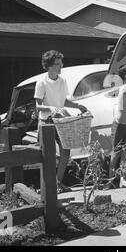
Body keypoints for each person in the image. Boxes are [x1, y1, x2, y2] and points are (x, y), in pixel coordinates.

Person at [34, 50, 88, 193]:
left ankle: (57, 183)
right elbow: (38, 107)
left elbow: (64, 101)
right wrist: (51, 108)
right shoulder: (41, 82)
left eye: (60, 63)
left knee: (66, 151)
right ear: (49, 66)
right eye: (57, 64)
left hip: (60, 120)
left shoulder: (62, 80)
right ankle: (46, 187)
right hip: (46, 122)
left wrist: (78, 106)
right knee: (47, 155)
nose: (61, 66)